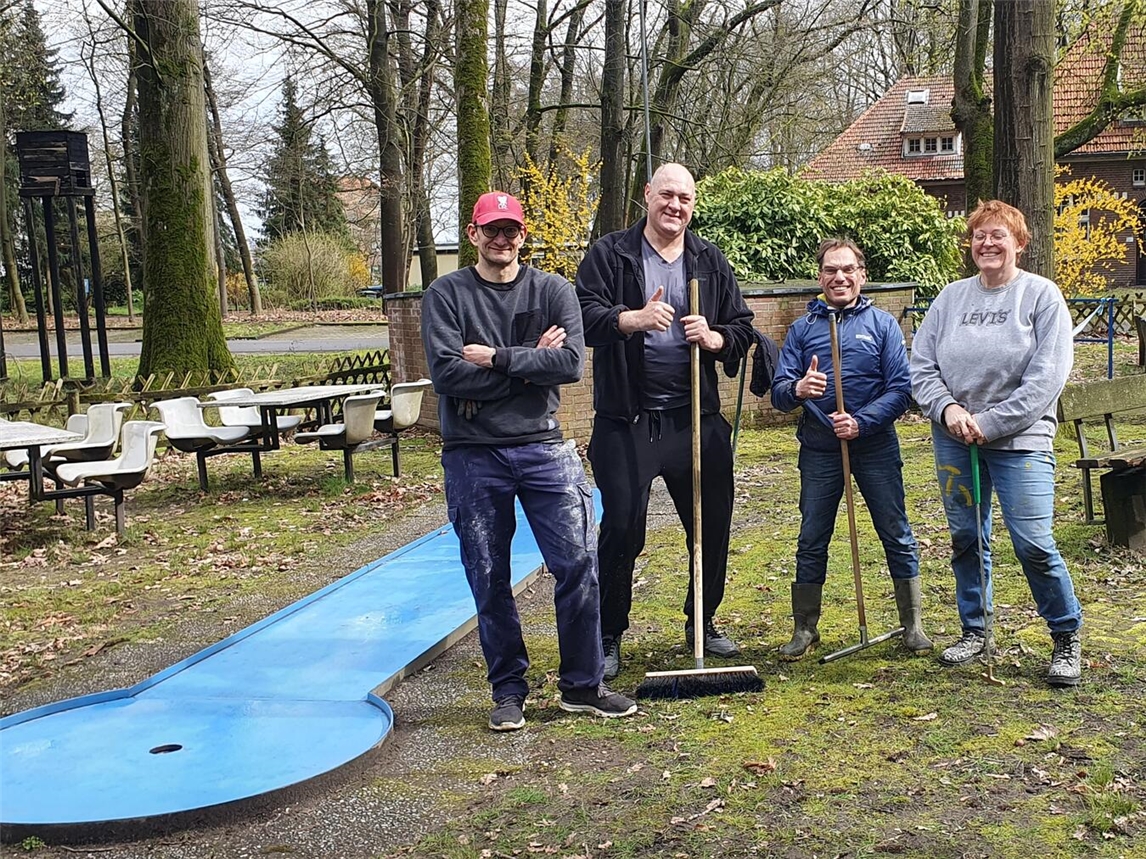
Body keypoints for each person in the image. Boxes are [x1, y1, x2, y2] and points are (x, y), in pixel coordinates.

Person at [421, 191, 637, 730]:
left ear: (523, 235)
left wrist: (495, 358)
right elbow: (447, 375)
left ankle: (583, 685)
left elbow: (569, 365)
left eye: (511, 230)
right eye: (491, 229)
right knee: (488, 572)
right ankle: (508, 690)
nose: (502, 239)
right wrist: (529, 364)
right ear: (473, 234)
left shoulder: (553, 290)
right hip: (472, 454)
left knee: (578, 563)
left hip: (544, 445)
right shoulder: (446, 295)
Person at [575, 163, 755, 680]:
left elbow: (742, 327)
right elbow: (580, 315)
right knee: (621, 528)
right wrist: (627, 319)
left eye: (685, 198)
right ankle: (609, 633)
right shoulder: (611, 254)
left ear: (693, 205)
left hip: (694, 418)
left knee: (711, 523)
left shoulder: (709, 260)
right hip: (626, 421)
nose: (675, 205)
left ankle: (703, 621)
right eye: (667, 195)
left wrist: (717, 338)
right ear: (647, 194)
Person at [910, 199, 1082, 687]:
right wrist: (948, 409)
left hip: (1021, 441)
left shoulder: (1041, 296)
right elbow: (921, 365)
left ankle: (1065, 634)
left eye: (998, 235)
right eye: (979, 235)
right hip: (955, 439)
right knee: (967, 538)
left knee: (1034, 543)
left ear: (1019, 243)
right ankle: (975, 629)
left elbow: (1047, 378)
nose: (987, 243)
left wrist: (989, 422)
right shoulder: (950, 299)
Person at [770, 237, 931, 660]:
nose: (839, 277)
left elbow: (901, 389)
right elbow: (779, 392)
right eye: (830, 270)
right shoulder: (802, 330)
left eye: (847, 269)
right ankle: (805, 628)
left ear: (862, 275)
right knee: (812, 537)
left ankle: (912, 623)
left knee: (895, 530)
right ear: (820, 276)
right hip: (820, 448)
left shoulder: (883, 325)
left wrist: (861, 422)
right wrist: (800, 388)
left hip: (875, 447)